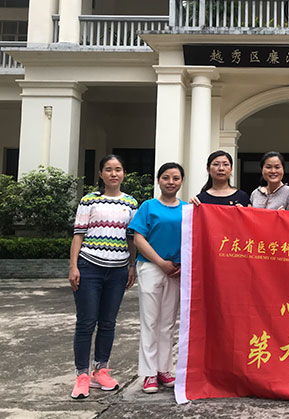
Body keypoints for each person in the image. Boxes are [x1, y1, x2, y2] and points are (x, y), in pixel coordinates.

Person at [69, 154, 138, 400]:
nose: (113, 174)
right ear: (101, 174)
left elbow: (132, 238)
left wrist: (132, 265)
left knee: (108, 322)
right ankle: (82, 375)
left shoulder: (131, 203)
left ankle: (101, 370)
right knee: (86, 322)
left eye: (118, 169)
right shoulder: (89, 200)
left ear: (123, 173)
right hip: (89, 267)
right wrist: (73, 266)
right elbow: (78, 235)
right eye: (108, 169)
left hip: (118, 270)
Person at [128, 163, 187, 394]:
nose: (171, 182)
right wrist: (161, 262)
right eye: (166, 177)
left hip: (176, 271)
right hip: (151, 267)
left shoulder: (187, 209)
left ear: (181, 181)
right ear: (158, 180)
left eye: (175, 178)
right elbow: (138, 238)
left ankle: (164, 369)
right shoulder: (148, 206)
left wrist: (181, 264)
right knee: (150, 321)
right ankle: (149, 373)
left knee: (168, 323)